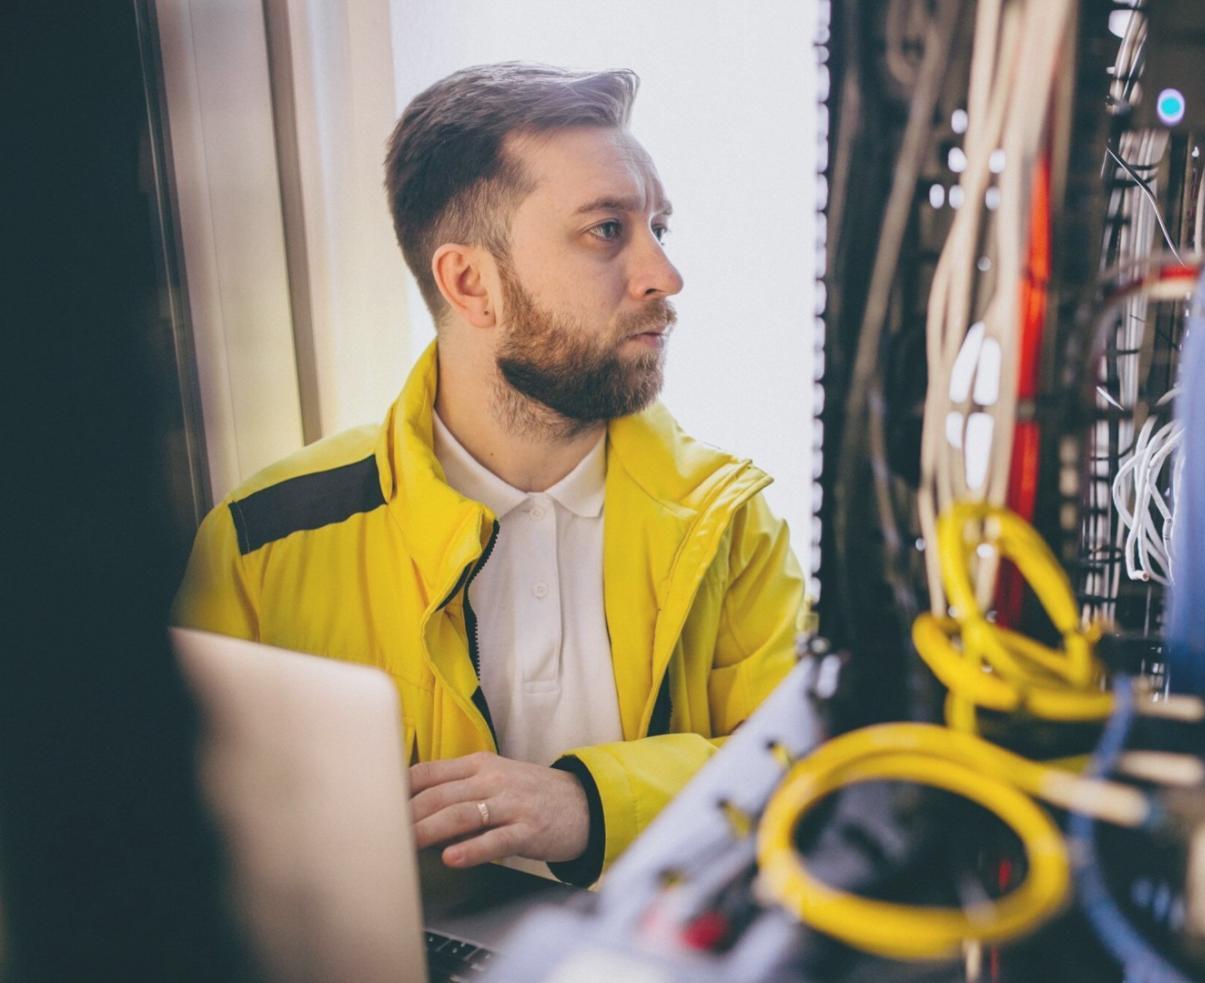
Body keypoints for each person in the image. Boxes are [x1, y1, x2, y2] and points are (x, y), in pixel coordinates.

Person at [174, 62, 806, 887]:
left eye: (660, 226)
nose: (664, 275)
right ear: (470, 282)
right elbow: (177, 829)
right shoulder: (264, 539)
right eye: (607, 229)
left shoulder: (730, 522)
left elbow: (812, 770)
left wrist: (590, 804)